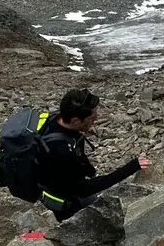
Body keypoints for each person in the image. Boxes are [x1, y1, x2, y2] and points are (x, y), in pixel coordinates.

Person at [37, 88, 151, 221]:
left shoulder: (58, 118)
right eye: (92, 118)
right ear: (75, 121)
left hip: (54, 179)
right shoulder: (61, 150)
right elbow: (84, 189)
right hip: (60, 200)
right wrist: (131, 167)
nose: (95, 120)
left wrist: (89, 170)